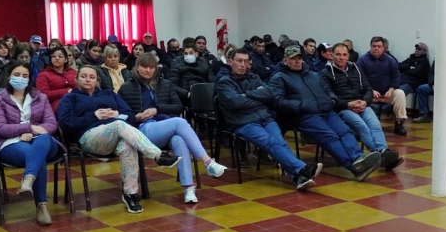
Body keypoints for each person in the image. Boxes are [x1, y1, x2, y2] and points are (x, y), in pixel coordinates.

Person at [56, 65, 179, 214]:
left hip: (116, 134)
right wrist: (93, 116)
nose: (88, 79)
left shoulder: (109, 94)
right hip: (89, 138)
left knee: (127, 146)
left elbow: (130, 115)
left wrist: (116, 113)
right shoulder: (70, 98)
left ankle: (130, 194)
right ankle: (158, 156)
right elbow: (66, 123)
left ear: (97, 80)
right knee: (119, 126)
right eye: (83, 76)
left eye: (92, 77)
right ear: (76, 79)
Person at [120, 53, 226, 203]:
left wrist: (157, 109)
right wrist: (136, 117)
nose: (148, 70)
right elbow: (122, 114)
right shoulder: (126, 88)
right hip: (143, 129)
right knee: (180, 122)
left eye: (152, 67)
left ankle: (189, 188)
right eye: (144, 67)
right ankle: (209, 163)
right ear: (137, 68)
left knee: (179, 140)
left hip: (165, 125)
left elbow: (178, 106)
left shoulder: (165, 84)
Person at [215, 48, 321, 189]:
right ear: (230, 62)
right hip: (243, 122)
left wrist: (246, 95)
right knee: (270, 141)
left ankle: (298, 177)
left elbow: (270, 94)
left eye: (246, 61)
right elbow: (236, 103)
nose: (242, 64)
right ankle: (302, 169)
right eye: (239, 61)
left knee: (280, 142)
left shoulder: (253, 77)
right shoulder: (224, 82)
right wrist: (258, 97)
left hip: (264, 118)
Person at [271, 46, 381, 179]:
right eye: (293, 59)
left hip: (326, 111)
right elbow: (277, 101)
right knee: (330, 136)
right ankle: (353, 166)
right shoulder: (279, 78)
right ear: (285, 61)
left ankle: (358, 158)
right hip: (304, 115)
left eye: (299, 58)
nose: (297, 61)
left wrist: (332, 101)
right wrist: (300, 106)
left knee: (345, 131)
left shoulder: (313, 75)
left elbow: (328, 91)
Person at [0, 62, 63, 225]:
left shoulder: (40, 97)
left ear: (30, 79)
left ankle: (29, 177)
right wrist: (26, 128)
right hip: (10, 142)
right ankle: (41, 205)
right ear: (9, 76)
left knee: (42, 141)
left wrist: (32, 133)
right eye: (17, 75)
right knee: (37, 157)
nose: (20, 78)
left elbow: (51, 124)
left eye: (25, 76)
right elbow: (0, 127)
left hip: (43, 141)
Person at [322, 43, 402, 172]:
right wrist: (348, 104)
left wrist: (365, 102)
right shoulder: (325, 73)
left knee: (374, 123)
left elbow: (367, 88)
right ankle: (380, 154)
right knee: (361, 125)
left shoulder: (356, 69)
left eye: (344, 55)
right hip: (343, 108)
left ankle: (383, 150)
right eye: (338, 54)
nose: (341, 58)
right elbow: (330, 97)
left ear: (348, 56)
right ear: (332, 55)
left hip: (362, 104)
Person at [357, 36, 409, 135]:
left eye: (379, 46)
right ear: (370, 47)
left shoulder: (390, 60)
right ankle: (366, 125)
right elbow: (360, 79)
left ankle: (399, 123)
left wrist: (391, 89)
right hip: (369, 94)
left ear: (383, 48)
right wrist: (370, 90)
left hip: (386, 94)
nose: (376, 48)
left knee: (400, 93)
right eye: (374, 46)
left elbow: (396, 77)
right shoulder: (362, 60)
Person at [35, 46, 77, 113]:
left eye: (60, 56)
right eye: (54, 56)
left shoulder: (74, 72)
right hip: (56, 106)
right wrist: (66, 91)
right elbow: (43, 95)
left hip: (77, 100)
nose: (57, 58)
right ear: (50, 59)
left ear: (66, 60)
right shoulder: (43, 75)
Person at [397, 43, 431, 114]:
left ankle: (385, 108)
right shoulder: (411, 59)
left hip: (414, 84)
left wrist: (407, 69)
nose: (417, 51)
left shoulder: (424, 62)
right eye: (416, 49)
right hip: (403, 80)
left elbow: (416, 73)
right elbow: (399, 66)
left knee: (399, 91)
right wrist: (409, 68)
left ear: (424, 51)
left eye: (419, 49)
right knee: (390, 87)